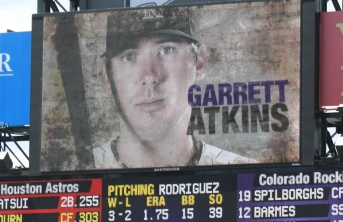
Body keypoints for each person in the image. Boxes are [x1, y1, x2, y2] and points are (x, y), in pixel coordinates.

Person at [93, 9, 253, 169]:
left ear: (199, 63)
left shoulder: (245, 172)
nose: (149, 76)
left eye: (166, 50)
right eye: (129, 56)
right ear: (107, 76)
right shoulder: (80, 169)